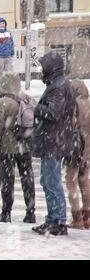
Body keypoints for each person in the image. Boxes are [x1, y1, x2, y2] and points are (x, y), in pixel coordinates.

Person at [32, 52, 75, 236]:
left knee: (52, 182)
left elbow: (54, 113)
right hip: (54, 141)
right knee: (48, 180)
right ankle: (53, 219)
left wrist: (36, 107)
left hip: (53, 142)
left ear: (51, 67)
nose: (41, 69)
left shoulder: (58, 86)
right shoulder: (60, 84)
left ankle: (58, 220)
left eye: (43, 65)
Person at [0, 73, 36, 224]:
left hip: (7, 147)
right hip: (25, 145)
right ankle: (30, 213)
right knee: (27, 179)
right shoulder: (27, 98)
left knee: (7, 180)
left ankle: (6, 212)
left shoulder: (3, 102)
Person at [64, 79, 90, 229]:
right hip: (88, 150)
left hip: (75, 148)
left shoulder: (74, 104)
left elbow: (71, 125)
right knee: (84, 180)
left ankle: (77, 217)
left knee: (71, 180)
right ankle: (87, 216)